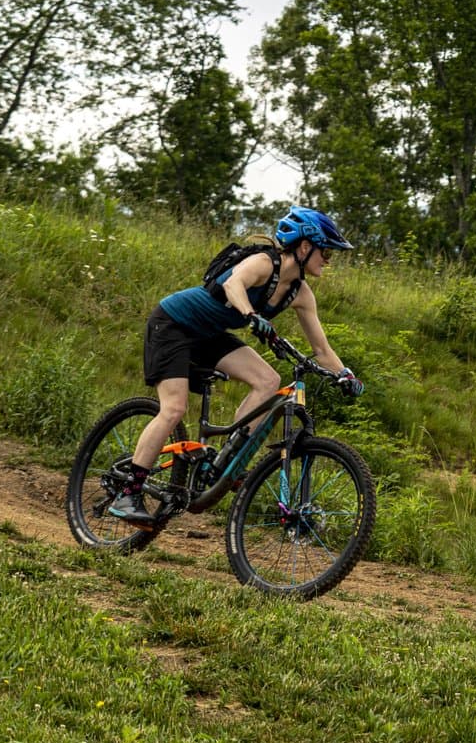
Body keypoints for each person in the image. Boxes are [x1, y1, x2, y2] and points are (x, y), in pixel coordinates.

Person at [109, 206, 363, 525]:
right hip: (174, 324)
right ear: (304, 246)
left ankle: (229, 459)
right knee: (173, 409)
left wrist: (345, 375)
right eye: (325, 250)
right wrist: (251, 315)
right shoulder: (263, 262)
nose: (328, 259)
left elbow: (321, 349)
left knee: (269, 380)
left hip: (210, 335)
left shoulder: (301, 293)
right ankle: (129, 492)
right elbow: (233, 285)